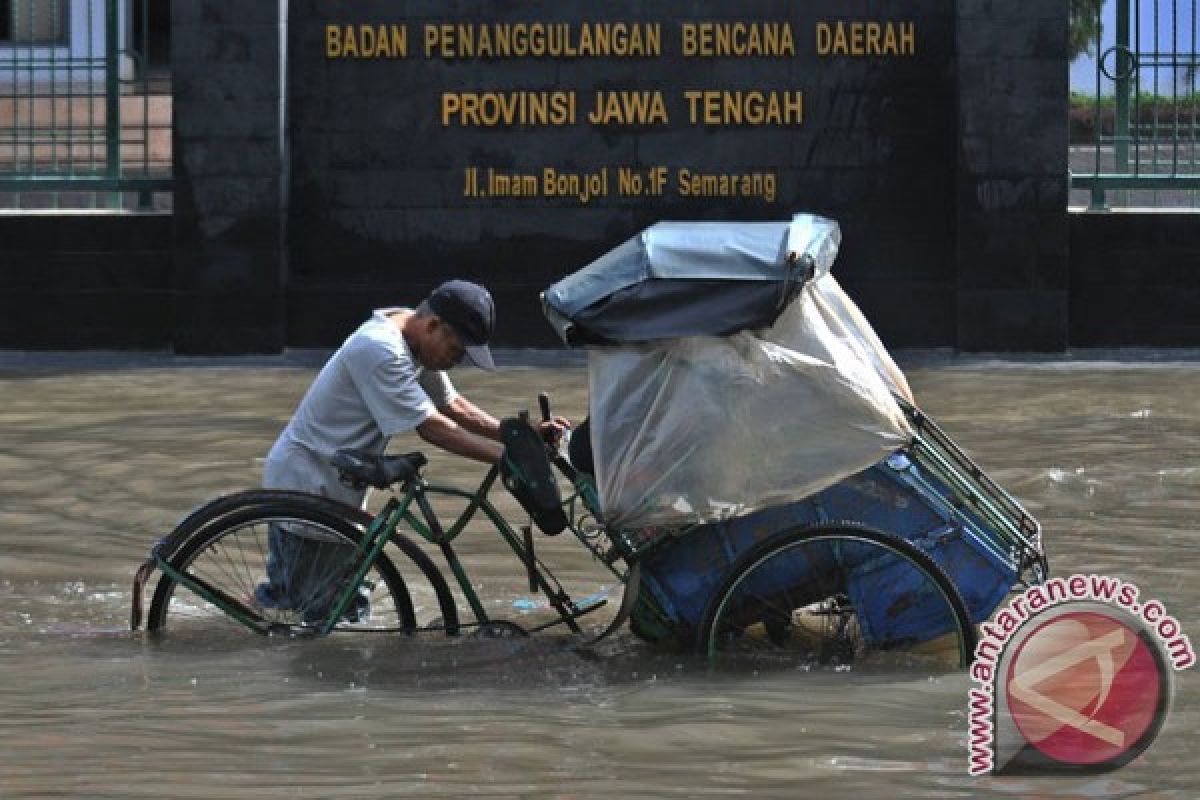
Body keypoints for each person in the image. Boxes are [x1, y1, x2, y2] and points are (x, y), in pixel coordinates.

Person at [256, 279, 568, 620]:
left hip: (337, 482)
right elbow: (433, 428)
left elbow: (451, 405)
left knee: (293, 600)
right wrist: (507, 460)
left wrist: (519, 438)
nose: (458, 360)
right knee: (326, 616)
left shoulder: (413, 339)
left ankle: (239, 635)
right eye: (458, 350)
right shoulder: (379, 349)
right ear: (434, 326)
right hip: (309, 481)